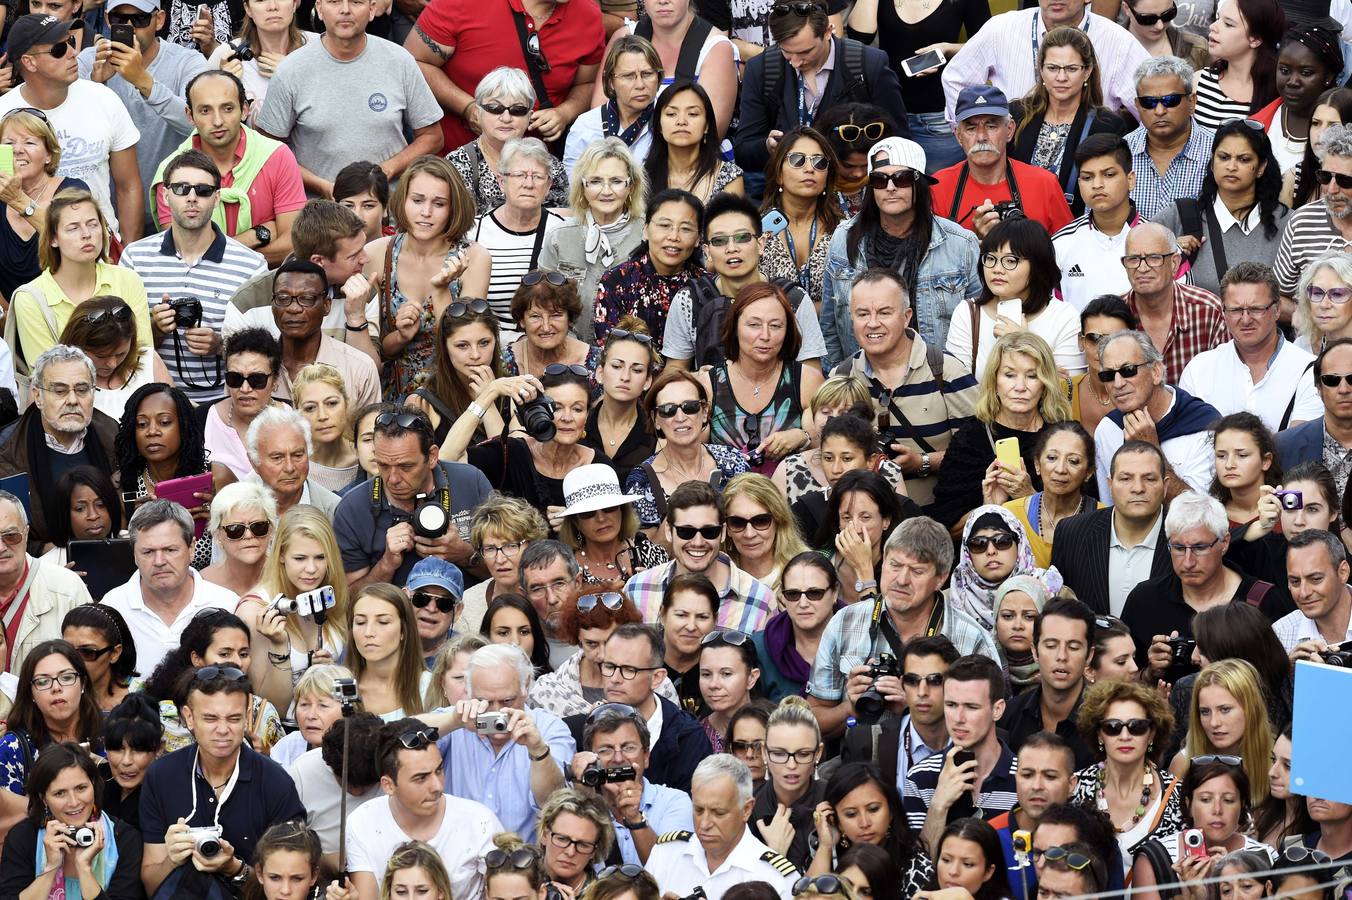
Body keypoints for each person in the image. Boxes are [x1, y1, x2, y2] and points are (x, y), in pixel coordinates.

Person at [807, 518, 1000, 738]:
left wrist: (917, 707)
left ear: (940, 578)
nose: (901, 580)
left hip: (939, 767)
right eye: (895, 565)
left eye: (917, 571)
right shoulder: (846, 622)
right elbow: (814, 720)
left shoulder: (970, 637)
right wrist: (851, 706)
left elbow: (992, 725)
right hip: (857, 765)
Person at [138, 665, 305, 895]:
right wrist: (173, 860)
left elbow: (289, 891)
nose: (223, 729)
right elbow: (150, 886)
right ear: (189, 717)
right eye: (210, 718)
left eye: (234, 718)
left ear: (246, 717)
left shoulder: (276, 783)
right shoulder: (161, 775)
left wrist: (235, 868)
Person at [255, 0, 443, 198]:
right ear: (319, 9)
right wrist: (322, 186)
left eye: (356, 2)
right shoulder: (291, 70)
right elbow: (268, 149)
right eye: (334, 2)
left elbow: (433, 137)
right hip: (318, 215)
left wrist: (386, 171)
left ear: (372, 10)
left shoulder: (399, 61)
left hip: (389, 212)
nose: (345, 10)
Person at [829, 268, 979, 508]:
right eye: (862, 314)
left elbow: (979, 451)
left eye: (884, 312)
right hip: (864, 523)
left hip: (939, 520)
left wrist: (923, 463)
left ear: (907, 316)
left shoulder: (945, 371)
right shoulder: (842, 376)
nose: (873, 323)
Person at [0, 14, 143, 241]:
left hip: (97, 246)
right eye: (58, 49)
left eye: (71, 42)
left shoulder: (104, 99)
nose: (72, 52)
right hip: (23, 250)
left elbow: (129, 186)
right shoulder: (3, 114)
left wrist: (128, 253)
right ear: (29, 62)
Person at [152, 70, 307, 268]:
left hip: (267, 288)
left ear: (244, 110)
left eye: (227, 108)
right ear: (190, 116)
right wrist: (256, 236)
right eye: (205, 111)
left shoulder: (276, 156)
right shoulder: (172, 171)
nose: (217, 121)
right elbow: (182, 255)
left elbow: (292, 246)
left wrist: (214, 253)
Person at [406, 0, 603, 154]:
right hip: (454, 166)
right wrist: (468, 108)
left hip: (535, 176)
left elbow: (587, 83)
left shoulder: (588, 16)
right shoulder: (462, 4)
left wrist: (565, 112)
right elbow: (413, 63)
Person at [662, 194, 828, 375]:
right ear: (707, 251)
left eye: (742, 238)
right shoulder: (690, 299)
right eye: (719, 240)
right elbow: (674, 370)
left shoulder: (793, 298)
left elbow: (812, 372)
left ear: (761, 244)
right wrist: (699, 379)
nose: (732, 248)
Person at [1122, 492, 1282, 675]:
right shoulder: (1144, 601)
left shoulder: (1263, 601)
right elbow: (1119, 682)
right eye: (1179, 548)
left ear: (1225, 543)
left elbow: (1279, 683)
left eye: (1199, 548)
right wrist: (1149, 672)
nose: (1188, 562)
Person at [343, 717, 502, 900]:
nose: (437, 786)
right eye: (420, 778)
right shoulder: (363, 821)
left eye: (439, 770)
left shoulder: (479, 821)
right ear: (388, 785)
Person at [333, 405, 489, 589]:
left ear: (432, 456)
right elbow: (348, 602)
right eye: (383, 465)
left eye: (405, 467)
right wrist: (386, 564)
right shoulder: (352, 509)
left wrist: (465, 555)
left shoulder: (470, 482)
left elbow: (512, 571)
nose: (393, 479)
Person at [933, 332, 1074, 534]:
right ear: (994, 380)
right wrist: (990, 508)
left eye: (1032, 376)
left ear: (1045, 383)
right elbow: (945, 528)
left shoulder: (1064, 437)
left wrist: (1027, 496)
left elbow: (1083, 521)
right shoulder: (971, 439)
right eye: (1009, 375)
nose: (1020, 387)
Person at [432, 643, 573, 836]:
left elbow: (554, 803)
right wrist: (452, 722)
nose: (497, 711)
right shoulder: (458, 719)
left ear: (526, 685)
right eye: (485, 701)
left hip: (523, 861)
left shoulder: (549, 728)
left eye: (507, 701)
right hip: (461, 860)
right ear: (469, 691)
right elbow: (398, 736)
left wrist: (538, 749)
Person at [78, 0, 206, 205]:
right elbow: (72, 132)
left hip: (172, 202)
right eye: (119, 18)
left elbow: (197, 125)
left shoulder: (187, 61)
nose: (129, 27)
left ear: (160, 19)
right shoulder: (89, 60)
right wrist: (97, 85)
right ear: (107, 20)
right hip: (104, 205)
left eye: (140, 18)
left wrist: (141, 80)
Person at [939, 0, 1148, 125]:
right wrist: (977, 131)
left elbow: (1154, 100)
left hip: (1088, 165)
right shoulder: (1002, 28)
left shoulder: (1118, 41)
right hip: (1013, 157)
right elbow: (956, 79)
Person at [9, 190, 152, 372]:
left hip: (131, 390)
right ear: (53, 238)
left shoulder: (128, 279)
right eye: (73, 228)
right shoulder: (30, 298)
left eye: (93, 225)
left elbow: (143, 356)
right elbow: (46, 374)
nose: (86, 234)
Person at [841, 0, 985, 174]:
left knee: (936, 192)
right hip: (887, 115)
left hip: (937, 119)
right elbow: (860, 37)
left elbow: (984, 45)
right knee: (891, 189)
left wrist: (947, 50)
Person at [691, 282, 822, 473]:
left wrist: (802, 437)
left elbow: (831, 446)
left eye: (776, 326)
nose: (765, 335)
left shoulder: (806, 380)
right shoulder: (709, 384)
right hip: (725, 497)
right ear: (735, 327)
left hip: (790, 496)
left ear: (788, 331)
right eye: (754, 325)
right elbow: (689, 456)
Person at [101, 498, 241, 674]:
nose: (159, 561)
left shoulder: (227, 604)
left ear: (191, 548)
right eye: (148, 552)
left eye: (170, 550)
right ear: (134, 555)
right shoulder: (113, 607)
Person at [1153, 121, 1290, 299]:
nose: (1231, 167)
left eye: (1244, 159)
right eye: (1224, 157)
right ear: (1212, 163)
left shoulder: (1289, 223)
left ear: (1261, 167)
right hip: (1194, 326)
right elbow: (1133, 261)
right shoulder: (1181, 215)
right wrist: (1167, 253)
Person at [0, 346, 117, 555]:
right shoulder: (7, 450)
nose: (72, 400)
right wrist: (48, 553)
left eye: (82, 390)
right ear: (37, 396)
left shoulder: (114, 437)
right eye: (60, 391)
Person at [1179, 263, 1319, 433]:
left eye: (1256, 309)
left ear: (1277, 310)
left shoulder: (1310, 370)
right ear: (1223, 312)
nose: (1245, 319)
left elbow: (1300, 447)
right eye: (1236, 310)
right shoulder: (1199, 369)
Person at [623, 480, 776, 633]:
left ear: (722, 532)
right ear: (669, 531)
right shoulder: (637, 590)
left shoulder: (760, 601)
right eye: (686, 532)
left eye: (709, 532)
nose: (698, 542)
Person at [902, 654, 1019, 852]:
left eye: (971, 707)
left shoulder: (1025, 777)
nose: (958, 718)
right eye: (951, 705)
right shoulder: (920, 777)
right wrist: (939, 805)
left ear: (997, 710)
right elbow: (919, 870)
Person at [1010, 28, 1131, 217]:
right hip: (1016, 229)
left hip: (1072, 229)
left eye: (1071, 69)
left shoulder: (1106, 125)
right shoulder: (1016, 114)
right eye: (1052, 68)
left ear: (1087, 71)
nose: (1061, 77)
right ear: (1040, 69)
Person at [0, 741, 143, 899]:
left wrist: (84, 870)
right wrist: (50, 869)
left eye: (81, 788)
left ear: (93, 785)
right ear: (44, 799)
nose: (74, 802)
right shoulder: (24, 837)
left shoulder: (125, 839)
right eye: (60, 793)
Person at [644, 754, 799, 900]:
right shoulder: (666, 854)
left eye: (718, 813)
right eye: (698, 810)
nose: (704, 824)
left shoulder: (777, 878)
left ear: (746, 810)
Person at [114, 383, 236, 568]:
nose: (152, 431)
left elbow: (249, 539)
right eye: (142, 424)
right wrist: (138, 526)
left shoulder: (217, 476)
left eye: (164, 422)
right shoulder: (124, 484)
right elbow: (118, 559)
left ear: (183, 426)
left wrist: (218, 522)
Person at [1068, 679, 1182, 871]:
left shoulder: (1178, 797)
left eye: (1136, 726)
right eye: (1112, 727)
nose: (1125, 736)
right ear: (1099, 735)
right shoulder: (1074, 788)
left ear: (1152, 733)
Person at [1092, 330, 1220, 500]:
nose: (1118, 383)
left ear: (1156, 371)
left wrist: (1152, 449)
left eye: (1128, 370)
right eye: (1108, 375)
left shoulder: (1204, 427)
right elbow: (1110, 508)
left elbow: (1201, 513)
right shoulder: (1108, 429)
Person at [931, 86, 1074, 239]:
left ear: (1010, 130)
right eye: (971, 128)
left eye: (991, 126)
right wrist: (973, 240)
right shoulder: (938, 187)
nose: (981, 137)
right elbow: (934, 258)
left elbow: (1068, 253)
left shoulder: (1045, 184)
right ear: (959, 136)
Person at [138, 606, 285, 754]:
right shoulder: (162, 715)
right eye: (225, 654)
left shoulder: (261, 712)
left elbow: (285, 769)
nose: (238, 662)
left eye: (244, 654)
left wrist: (268, 755)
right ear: (197, 659)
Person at [542, 139, 647, 343]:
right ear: (583, 187)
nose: (606, 191)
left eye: (616, 181)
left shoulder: (648, 234)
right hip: (572, 354)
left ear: (630, 186)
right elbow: (544, 303)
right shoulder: (559, 236)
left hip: (632, 356)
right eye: (596, 181)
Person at [1053, 441, 1173, 615]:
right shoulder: (1072, 533)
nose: (1138, 488)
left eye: (1149, 479)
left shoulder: (1186, 536)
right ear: (1110, 485)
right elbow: (1058, 610)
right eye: (1125, 479)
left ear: (1165, 486)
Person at [623, 368, 749, 533]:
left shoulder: (733, 460)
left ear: (704, 412)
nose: (680, 417)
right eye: (668, 410)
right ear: (656, 420)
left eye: (690, 407)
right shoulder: (641, 481)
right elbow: (647, 553)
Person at [568, 703, 694, 865]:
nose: (618, 759)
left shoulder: (674, 802)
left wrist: (634, 819)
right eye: (606, 750)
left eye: (628, 747)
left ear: (646, 756)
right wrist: (586, 800)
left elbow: (671, 872)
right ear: (590, 758)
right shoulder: (575, 802)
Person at [1129, 759, 1275, 893]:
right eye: (1205, 799)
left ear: (1242, 805)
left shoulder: (1267, 856)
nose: (1217, 809)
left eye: (1228, 800)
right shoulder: (1155, 858)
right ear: (1189, 804)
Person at [442, 69, 569, 220]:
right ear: (477, 112)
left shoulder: (549, 165)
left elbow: (564, 222)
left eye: (517, 110)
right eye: (495, 109)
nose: (506, 118)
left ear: (529, 116)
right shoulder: (457, 165)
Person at [600, 0, 737, 138]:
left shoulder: (716, 48)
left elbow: (709, 133)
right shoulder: (623, 39)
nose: (663, 1)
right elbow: (600, 117)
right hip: (619, 152)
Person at [593, 188, 708, 352]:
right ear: (646, 229)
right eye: (664, 225)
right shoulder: (617, 281)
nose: (674, 237)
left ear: (698, 238)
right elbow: (608, 350)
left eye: (685, 229)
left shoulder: (706, 286)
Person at [0, 641, 105, 817]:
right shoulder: (12, 748)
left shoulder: (108, 735)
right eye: (42, 681)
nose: (56, 688)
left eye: (66, 677)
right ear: (30, 692)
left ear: (83, 683)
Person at [472, 151, 569, 339]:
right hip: (492, 345)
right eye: (519, 175)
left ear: (548, 185)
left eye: (538, 177)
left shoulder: (563, 232)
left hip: (548, 342)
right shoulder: (475, 231)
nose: (528, 184)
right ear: (501, 182)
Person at [1120, 223, 1229, 385]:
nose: (1142, 268)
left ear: (1174, 263)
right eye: (1133, 259)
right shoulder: (1115, 315)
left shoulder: (1208, 310)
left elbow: (1227, 378)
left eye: (1153, 258)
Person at [0, 110, 89, 306]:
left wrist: (18, 199)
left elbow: (76, 241)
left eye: (29, 142)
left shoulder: (72, 189)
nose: (18, 150)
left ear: (49, 154)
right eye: (8, 143)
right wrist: (10, 315)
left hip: (70, 310)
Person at [267, 263, 380, 415]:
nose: (293, 308)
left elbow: (369, 434)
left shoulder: (359, 369)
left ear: (327, 305)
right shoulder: (252, 371)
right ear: (273, 304)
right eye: (283, 298)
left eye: (306, 298)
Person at [998, 599, 1096, 767]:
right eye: (1051, 646)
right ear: (1034, 651)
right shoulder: (1007, 718)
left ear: (1089, 655)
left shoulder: (1108, 722)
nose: (1062, 656)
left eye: (1073, 647)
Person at [1052, 137, 1144, 312]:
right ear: (1079, 183)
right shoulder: (1059, 244)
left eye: (1109, 175)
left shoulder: (1160, 243)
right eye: (1087, 177)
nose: (1097, 185)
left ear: (1131, 179)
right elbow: (1050, 316)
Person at [987, 732, 1080, 900]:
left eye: (1050, 776)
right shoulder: (989, 835)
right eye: (1027, 775)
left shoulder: (1092, 838)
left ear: (1071, 784)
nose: (1037, 786)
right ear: (1016, 778)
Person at [287, 713, 385, 871]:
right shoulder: (301, 773)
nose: (357, 791)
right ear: (330, 764)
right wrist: (323, 861)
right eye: (348, 783)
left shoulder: (397, 771)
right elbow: (285, 844)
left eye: (367, 785)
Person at [405, 300, 507, 449]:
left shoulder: (511, 391)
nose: (475, 355)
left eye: (484, 343)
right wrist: (486, 398)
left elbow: (507, 462)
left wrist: (489, 398)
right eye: (462, 346)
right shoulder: (422, 403)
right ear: (445, 347)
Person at [755, 126, 840, 306]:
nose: (810, 168)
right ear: (779, 174)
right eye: (797, 160)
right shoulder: (756, 229)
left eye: (819, 162)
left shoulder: (842, 230)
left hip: (831, 332)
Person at [1274, 126, 1352, 319]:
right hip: (1313, 345)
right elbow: (1276, 296)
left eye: (1345, 181)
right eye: (1325, 177)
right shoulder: (1302, 221)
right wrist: (1310, 318)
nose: (1331, 189)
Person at [1125, 56, 1217, 221]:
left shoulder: (1217, 151)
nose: (1159, 111)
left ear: (1192, 102)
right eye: (1149, 102)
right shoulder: (1121, 151)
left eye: (1170, 100)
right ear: (1137, 105)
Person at [1003, 422, 1101, 569]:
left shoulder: (1104, 519)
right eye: (1052, 458)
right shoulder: (1010, 516)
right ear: (1037, 464)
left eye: (1073, 461)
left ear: (1088, 472)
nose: (1060, 469)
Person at [56, 295, 167, 423]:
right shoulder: (53, 377)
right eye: (101, 356)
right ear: (76, 345)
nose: (112, 364)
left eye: (121, 354)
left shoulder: (149, 361)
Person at [205, 0, 317, 121]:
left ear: (295, 4)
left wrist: (294, 76)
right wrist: (223, 87)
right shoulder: (226, 54)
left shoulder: (319, 46)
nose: (272, 7)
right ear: (248, 9)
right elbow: (203, 118)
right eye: (260, 0)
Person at [563, 39, 661, 176]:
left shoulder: (668, 121)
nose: (640, 84)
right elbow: (573, 189)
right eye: (628, 76)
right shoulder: (586, 126)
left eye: (647, 74)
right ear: (610, 82)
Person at [578, 327, 661, 489]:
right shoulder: (577, 423)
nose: (625, 377)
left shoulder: (657, 431)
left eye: (637, 370)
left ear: (647, 380)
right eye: (616, 366)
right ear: (600, 373)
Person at [558, 465, 668, 586]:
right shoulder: (565, 570)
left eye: (609, 508)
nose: (601, 518)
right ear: (575, 522)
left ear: (622, 510)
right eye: (588, 513)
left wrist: (652, 589)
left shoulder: (652, 553)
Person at [947, 507, 1051, 632]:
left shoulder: (1049, 591)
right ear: (967, 552)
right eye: (978, 543)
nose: (991, 551)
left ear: (1019, 543)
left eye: (1002, 541)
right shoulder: (946, 601)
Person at [751, 553, 837, 701]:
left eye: (814, 593)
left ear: (835, 593)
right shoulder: (760, 648)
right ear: (783, 597)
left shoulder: (859, 637)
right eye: (793, 594)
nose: (803, 604)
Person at [461, 494, 549, 635]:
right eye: (490, 549)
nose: (500, 559)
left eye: (510, 546)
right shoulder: (468, 604)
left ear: (532, 545)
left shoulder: (552, 597)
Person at [645, 81, 744, 204]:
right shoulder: (642, 177)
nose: (681, 121)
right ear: (659, 125)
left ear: (707, 125)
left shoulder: (729, 176)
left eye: (692, 114)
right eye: (671, 114)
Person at [1192, 0, 1285, 130]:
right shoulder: (1199, 81)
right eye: (1217, 18)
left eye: (1228, 24)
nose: (1213, 26)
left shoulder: (1277, 95)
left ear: (1255, 39)